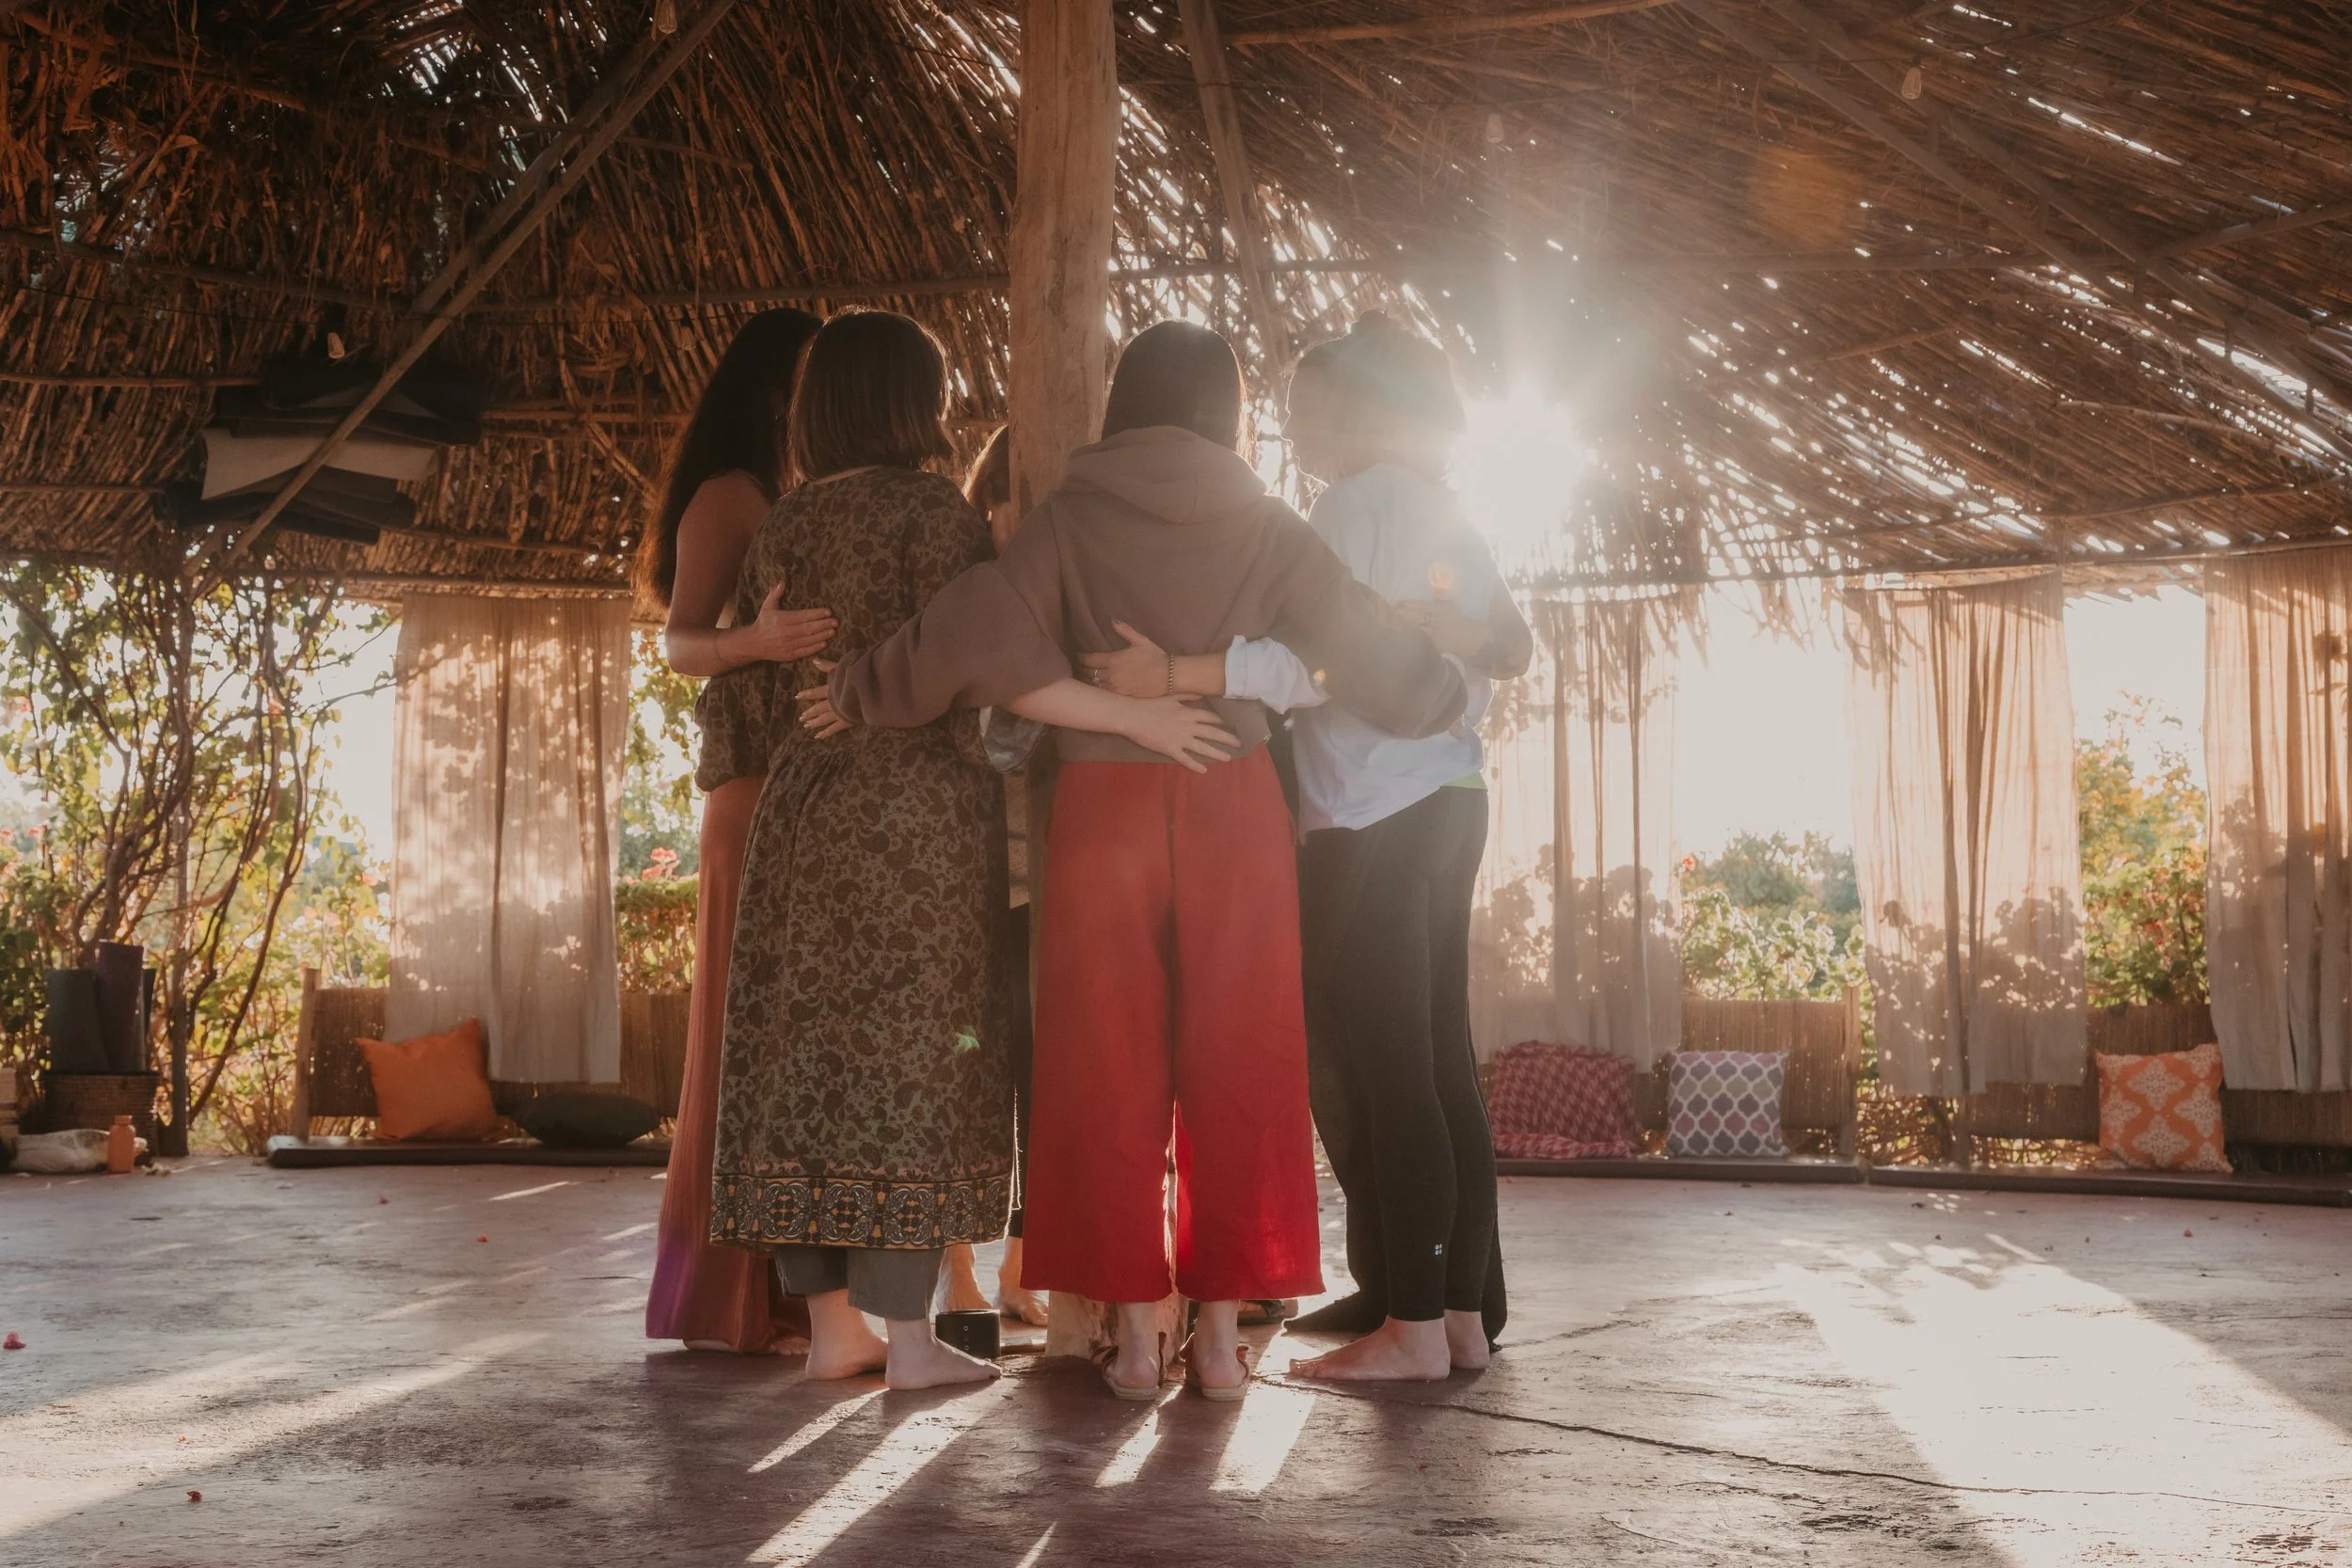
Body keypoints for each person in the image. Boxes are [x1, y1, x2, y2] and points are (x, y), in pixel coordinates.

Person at [813, 319, 1467, 1399]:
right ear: (1228, 412)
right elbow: (1361, 644)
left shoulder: (1069, 516)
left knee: (1101, 1065)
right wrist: (1436, 689)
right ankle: (1217, 1339)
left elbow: (969, 625)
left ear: (1125, 401)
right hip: (1231, 795)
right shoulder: (1265, 522)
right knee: (1241, 1058)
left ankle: (1127, 1337)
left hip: (1100, 809)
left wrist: (857, 686)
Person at [709, 311, 1236, 1391]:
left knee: (806, 1059)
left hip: (801, 818)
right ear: (912, 402)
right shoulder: (933, 517)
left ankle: (831, 1328)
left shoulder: (785, 524)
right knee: (913, 1059)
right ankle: (910, 1340)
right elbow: (992, 666)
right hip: (915, 825)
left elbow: (744, 698)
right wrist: (1126, 716)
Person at [1087, 313, 1530, 1380]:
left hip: (1373, 813)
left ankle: (1411, 1330)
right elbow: (1479, 659)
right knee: (1441, 1063)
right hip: (1451, 796)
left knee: (1390, 1066)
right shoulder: (1448, 512)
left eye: (1309, 408)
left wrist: (1179, 675)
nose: (1295, 428)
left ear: (1361, 408)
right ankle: (1457, 1318)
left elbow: (1312, 664)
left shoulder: (1350, 504)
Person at [640, 307, 833, 1355]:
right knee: (738, 1045)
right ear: (776, 388)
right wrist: (755, 641)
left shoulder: (793, 497)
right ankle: (725, 1297)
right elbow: (678, 641)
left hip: (789, 794)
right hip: (748, 795)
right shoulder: (729, 495)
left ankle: (787, 1290)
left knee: (784, 1046)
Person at [940, 427, 1050, 1330]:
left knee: (1042, 1081)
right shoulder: (965, 592)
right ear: (991, 497)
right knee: (965, 1074)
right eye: (1016, 494)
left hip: (1044, 882)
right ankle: (957, 1272)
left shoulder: (1063, 590)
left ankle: (1021, 1265)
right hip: (966, 879)